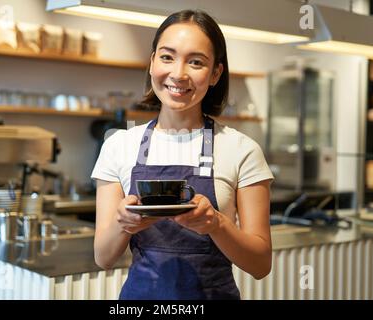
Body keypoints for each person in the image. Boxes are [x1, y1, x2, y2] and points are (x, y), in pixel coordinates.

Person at [91, 9, 274, 300]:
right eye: (167, 57)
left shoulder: (243, 150)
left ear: (215, 73)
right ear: (151, 63)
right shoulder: (118, 145)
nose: (178, 73)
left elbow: (261, 264)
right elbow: (103, 256)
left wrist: (216, 224)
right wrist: (123, 223)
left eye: (196, 62)